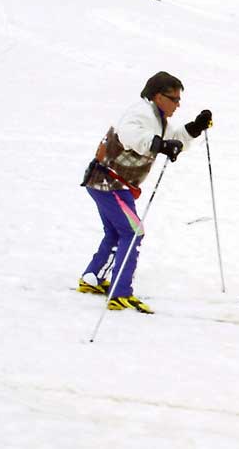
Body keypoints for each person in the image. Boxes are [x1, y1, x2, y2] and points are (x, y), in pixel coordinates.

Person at [78, 71, 212, 314]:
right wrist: (159, 145)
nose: (177, 104)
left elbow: (173, 138)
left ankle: (92, 277)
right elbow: (131, 136)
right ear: (158, 96)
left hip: (111, 184)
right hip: (109, 183)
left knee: (117, 232)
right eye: (174, 99)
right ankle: (120, 292)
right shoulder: (139, 113)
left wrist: (195, 127)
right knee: (133, 232)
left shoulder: (156, 118)